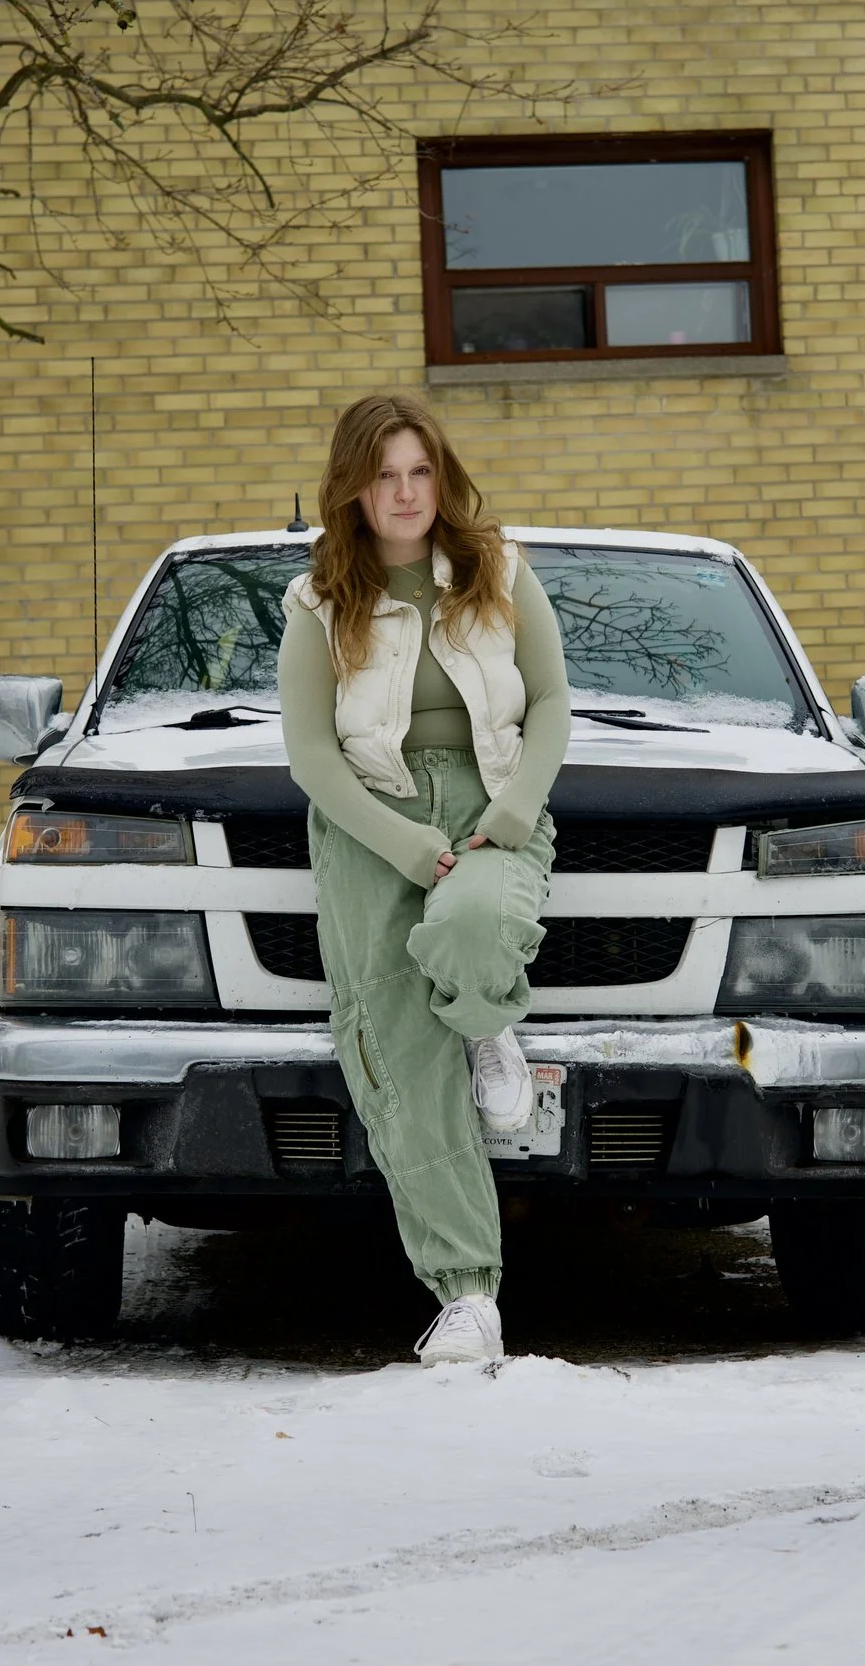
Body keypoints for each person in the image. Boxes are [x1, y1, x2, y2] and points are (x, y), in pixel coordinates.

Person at [278, 392, 570, 1366]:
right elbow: (313, 756)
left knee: (471, 929)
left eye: (419, 471)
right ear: (354, 487)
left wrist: (516, 810)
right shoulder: (319, 602)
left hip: (491, 802)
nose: (404, 492)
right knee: (396, 1043)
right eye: (384, 475)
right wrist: (407, 847)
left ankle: (487, 1025)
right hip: (370, 823)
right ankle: (468, 1293)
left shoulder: (498, 569)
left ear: (438, 478)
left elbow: (556, 698)